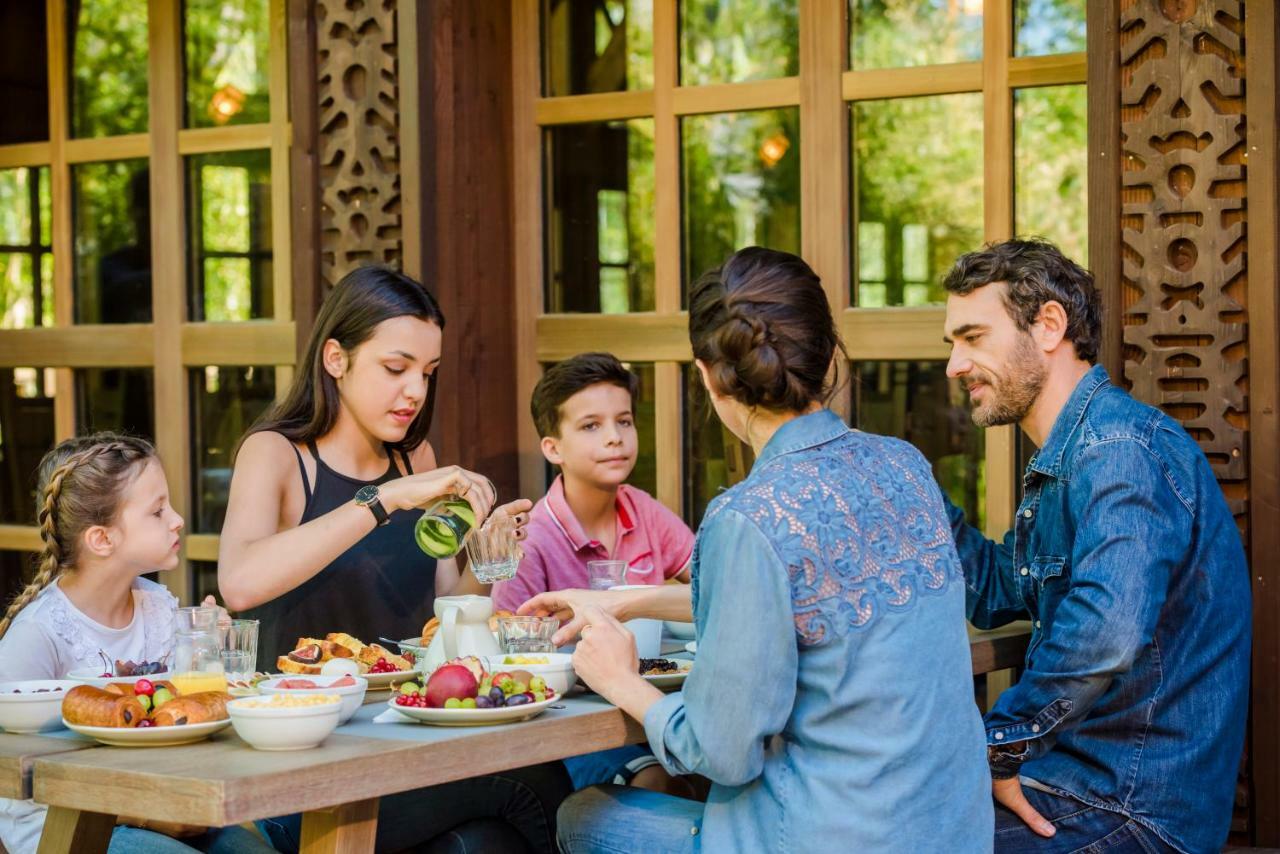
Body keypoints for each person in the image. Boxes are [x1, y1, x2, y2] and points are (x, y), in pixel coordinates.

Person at [542, 247, 993, 853]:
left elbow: (722, 752)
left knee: (584, 816)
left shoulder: (748, 516)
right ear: (829, 353)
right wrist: (628, 601)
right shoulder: (904, 465)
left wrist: (621, 681)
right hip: (953, 832)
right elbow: (802, 596)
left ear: (706, 375)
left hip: (825, 839)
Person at [217, 265, 570, 853]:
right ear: (336, 358)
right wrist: (382, 500)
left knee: (486, 843)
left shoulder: (414, 459)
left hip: (404, 743)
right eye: (395, 368)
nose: (415, 392)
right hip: (301, 769)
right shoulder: (276, 454)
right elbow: (241, 584)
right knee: (528, 777)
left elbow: (440, 615)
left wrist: (487, 559)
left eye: (427, 374)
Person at [940, 239, 1250, 853]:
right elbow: (1002, 588)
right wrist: (911, 502)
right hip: (1073, 785)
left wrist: (995, 750)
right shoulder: (1077, 454)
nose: (954, 365)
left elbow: (1104, 634)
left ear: (1049, 325)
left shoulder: (1118, 453)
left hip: (1130, 808)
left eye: (972, 337)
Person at [0, 434, 274, 854]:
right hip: (60, 825)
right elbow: (10, 783)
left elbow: (178, 720)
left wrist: (209, 654)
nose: (177, 519)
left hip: (163, 804)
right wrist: (145, 814)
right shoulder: (39, 632)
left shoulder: (159, 608)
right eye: (158, 511)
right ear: (101, 539)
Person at [493, 352, 695, 795]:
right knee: (656, 779)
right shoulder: (533, 538)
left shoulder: (644, 510)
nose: (614, 439)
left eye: (624, 421)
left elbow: (711, 588)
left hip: (652, 704)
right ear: (553, 448)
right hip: (573, 723)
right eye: (591, 426)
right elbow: (503, 653)